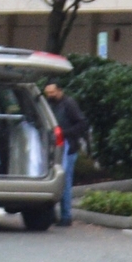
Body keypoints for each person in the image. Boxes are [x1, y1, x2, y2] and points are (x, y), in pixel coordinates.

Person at [45, 81, 92, 227]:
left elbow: (82, 124)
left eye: (52, 92)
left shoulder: (69, 104)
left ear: (60, 90)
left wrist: (64, 134)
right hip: (57, 145)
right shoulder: (51, 104)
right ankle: (53, 214)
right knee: (55, 180)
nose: (50, 95)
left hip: (68, 146)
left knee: (64, 181)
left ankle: (66, 216)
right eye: (47, 93)